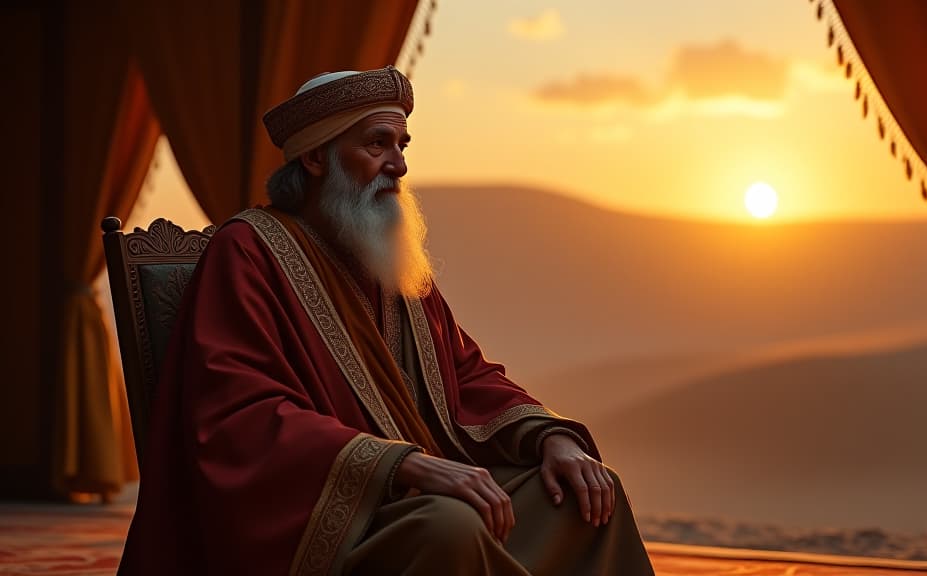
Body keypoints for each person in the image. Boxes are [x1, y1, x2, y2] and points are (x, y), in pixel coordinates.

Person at [118, 66, 655, 576]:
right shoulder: (248, 251)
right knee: (449, 526)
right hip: (327, 510)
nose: (398, 165)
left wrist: (550, 439)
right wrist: (400, 466)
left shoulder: (384, 254)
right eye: (377, 144)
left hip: (417, 489)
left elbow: (465, 375)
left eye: (401, 146)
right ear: (314, 158)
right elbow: (238, 414)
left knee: (588, 496)